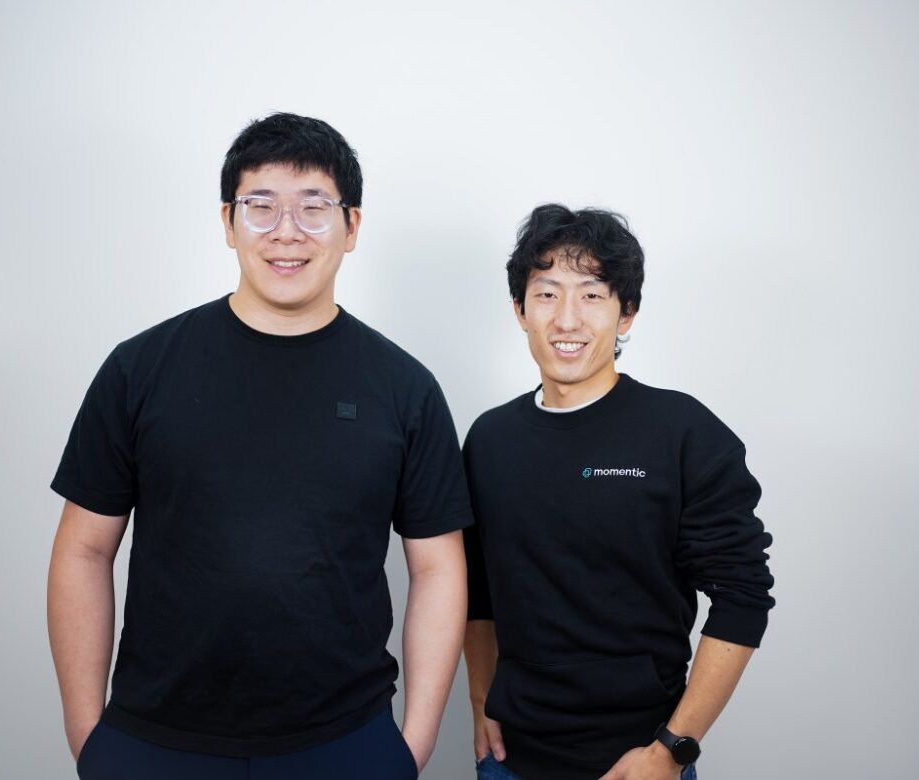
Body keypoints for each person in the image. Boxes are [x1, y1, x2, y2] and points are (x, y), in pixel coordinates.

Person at [47, 113, 472, 780]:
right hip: (155, 738)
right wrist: (87, 734)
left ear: (352, 226)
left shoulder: (404, 388)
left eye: (314, 208)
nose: (286, 234)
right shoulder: (142, 369)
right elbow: (83, 546)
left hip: (345, 741)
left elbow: (439, 568)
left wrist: (409, 745)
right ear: (227, 222)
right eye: (261, 207)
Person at [462, 204, 775, 780]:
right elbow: (475, 592)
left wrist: (672, 750)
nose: (567, 320)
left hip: (639, 760)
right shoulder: (489, 439)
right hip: (511, 762)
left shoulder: (682, 432)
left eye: (592, 294)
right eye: (547, 294)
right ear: (520, 310)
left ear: (625, 313)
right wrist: (482, 700)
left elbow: (744, 596)